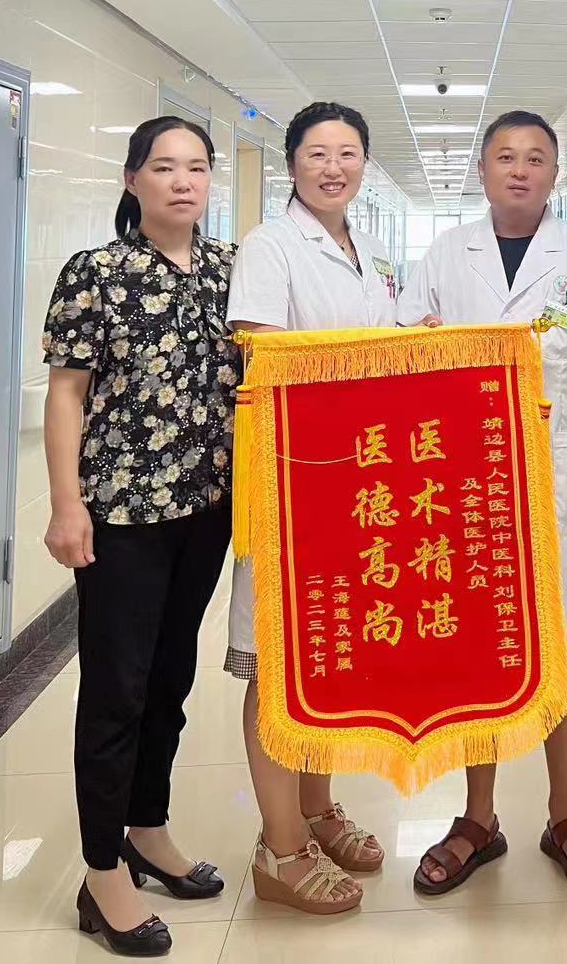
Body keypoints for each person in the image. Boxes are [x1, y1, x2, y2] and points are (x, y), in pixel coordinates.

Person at [398, 109, 567, 897]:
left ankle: (564, 815)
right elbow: (405, 349)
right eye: (505, 155)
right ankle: (478, 817)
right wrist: (424, 338)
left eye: (536, 157)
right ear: (482, 169)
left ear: (554, 173)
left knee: (564, 639)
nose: (520, 169)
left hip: (561, 464)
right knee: (479, 642)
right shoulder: (447, 251)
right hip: (467, 474)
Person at [42, 117, 239, 957]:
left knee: (170, 677)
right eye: (164, 167)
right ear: (133, 180)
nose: (182, 181)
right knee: (116, 688)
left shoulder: (231, 269)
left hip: (207, 508)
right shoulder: (96, 272)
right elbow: (66, 394)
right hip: (121, 514)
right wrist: (66, 504)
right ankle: (101, 872)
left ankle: (147, 829)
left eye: (196, 166)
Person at [226, 101, 398, 917]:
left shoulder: (370, 252)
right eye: (318, 153)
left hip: (354, 482)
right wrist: (372, 359)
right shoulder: (270, 244)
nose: (334, 167)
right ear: (291, 162)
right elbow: (264, 350)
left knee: (326, 651)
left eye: (349, 152)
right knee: (277, 663)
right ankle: (281, 845)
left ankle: (319, 809)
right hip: (292, 477)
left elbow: (385, 348)